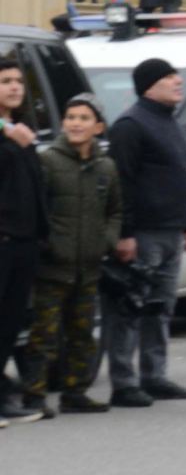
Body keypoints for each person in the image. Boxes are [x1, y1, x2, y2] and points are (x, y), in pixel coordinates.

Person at [19, 93, 128, 416]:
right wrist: (48, 243)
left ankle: (75, 391)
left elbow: (115, 210)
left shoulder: (105, 167)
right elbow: (37, 208)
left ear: (98, 127)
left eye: (83, 118)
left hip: (89, 266)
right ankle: (34, 394)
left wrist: (106, 241)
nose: (76, 124)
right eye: (70, 118)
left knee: (82, 334)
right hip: (53, 267)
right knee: (43, 335)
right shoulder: (48, 161)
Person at [105, 59, 186, 408]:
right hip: (142, 233)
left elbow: (181, 179)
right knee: (129, 307)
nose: (178, 81)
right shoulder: (130, 125)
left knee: (160, 307)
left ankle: (154, 375)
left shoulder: (170, 123)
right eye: (168, 77)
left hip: (171, 230)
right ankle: (124, 381)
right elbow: (122, 185)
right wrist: (125, 233)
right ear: (149, 85)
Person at [0, 57, 50, 426]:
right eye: (5, 81)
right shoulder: (8, 131)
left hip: (24, 242)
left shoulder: (21, 131)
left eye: (18, 80)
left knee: (10, 323)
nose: (15, 86)